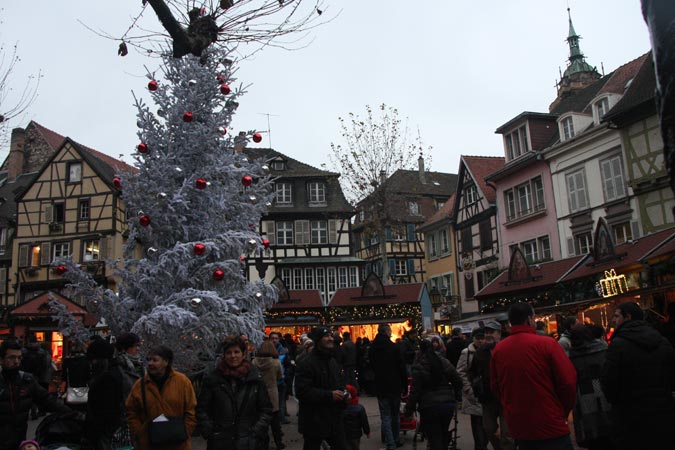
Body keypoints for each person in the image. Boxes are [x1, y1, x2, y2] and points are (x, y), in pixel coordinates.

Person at [490, 302, 577, 450]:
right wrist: (562, 410)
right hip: (550, 422)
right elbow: (568, 381)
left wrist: (511, 407)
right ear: (529, 319)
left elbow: (495, 386)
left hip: (520, 425)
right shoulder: (547, 344)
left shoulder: (499, 350)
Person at [600, 302, 675, 450]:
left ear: (628, 317)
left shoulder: (618, 345)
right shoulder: (662, 342)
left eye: (616, 316)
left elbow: (609, 383)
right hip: (663, 414)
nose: (614, 320)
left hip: (630, 416)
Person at [197, 335, 273, 450]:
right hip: (221, 441)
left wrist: (256, 431)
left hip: (249, 441)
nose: (233, 356)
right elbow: (202, 409)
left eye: (236, 352)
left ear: (243, 354)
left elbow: (266, 409)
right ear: (224, 355)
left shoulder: (255, 378)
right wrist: (211, 432)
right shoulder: (213, 379)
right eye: (229, 352)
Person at [0, 340, 70, 450]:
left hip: (19, 441)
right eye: (12, 358)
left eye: (19, 358)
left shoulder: (26, 380)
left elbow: (47, 400)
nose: (16, 361)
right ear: (1, 359)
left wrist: (72, 413)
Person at [125, 345, 197, 450]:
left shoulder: (182, 382)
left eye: (155, 360)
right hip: (149, 444)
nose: (150, 363)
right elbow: (131, 411)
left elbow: (191, 409)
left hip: (178, 444)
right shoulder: (140, 385)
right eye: (149, 360)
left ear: (166, 362)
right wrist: (139, 433)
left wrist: (186, 430)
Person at [295, 326, 348, 450]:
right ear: (318, 340)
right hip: (314, 419)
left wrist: (344, 393)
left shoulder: (332, 362)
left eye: (331, 335)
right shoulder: (306, 363)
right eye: (326, 336)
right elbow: (302, 391)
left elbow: (339, 383)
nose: (330, 338)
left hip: (333, 418)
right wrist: (329, 395)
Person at [404, 338, 462, 450]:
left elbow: (415, 392)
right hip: (447, 404)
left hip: (429, 406)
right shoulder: (444, 361)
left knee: (434, 437)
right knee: (443, 433)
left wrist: (408, 410)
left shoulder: (419, 365)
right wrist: (453, 393)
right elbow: (458, 381)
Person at [468, 321, 514, 450]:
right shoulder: (481, 352)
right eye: (486, 332)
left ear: (499, 333)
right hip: (488, 397)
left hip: (506, 396)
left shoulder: (507, 348)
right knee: (489, 428)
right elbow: (472, 371)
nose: (488, 335)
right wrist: (476, 385)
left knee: (507, 433)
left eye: (491, 332)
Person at [568, 325, 613, 450]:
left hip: (582, 400)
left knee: (592, 438)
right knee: (609, 436)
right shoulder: (603, 349)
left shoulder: (571, 357)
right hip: (603, 394)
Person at [369, 324, 407, 450]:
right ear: (386, 331)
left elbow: (372, 366)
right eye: (390, 330)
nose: (391, 332)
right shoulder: (394, 347)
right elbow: (402, 368)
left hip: (381, 385)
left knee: (385, 416)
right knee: (395, 414)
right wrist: (404, 385)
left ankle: (390, 443)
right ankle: (395, 440)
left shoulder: (373, 348)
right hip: (395, 385)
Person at [85, 339, 123, 450]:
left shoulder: (106, 378)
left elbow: (103, 411)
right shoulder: (116, 372)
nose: (91, 364)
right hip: (111, 429)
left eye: (93, 360)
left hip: (105, 431)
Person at [457, 328, 488, 450]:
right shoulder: (467, 352)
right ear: (473, 339)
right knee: (477, 426)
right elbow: (460, 371)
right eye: (478, 338)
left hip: (486, 393)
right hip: (473, 393)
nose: (480, 341)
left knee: (487, 425)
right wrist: (468, 389)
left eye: (482, 338)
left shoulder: (488, 350)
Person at [252, 338, 285, 450]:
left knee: (261, 421)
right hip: (272, 393)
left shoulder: (254, 362)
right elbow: (280, 376)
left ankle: (263, 443)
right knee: (274, 421)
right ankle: (278, 442)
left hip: (258, 394)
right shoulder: (276, 363)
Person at [270, 331, 290, 424]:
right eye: (272, 338)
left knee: (281, 400)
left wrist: (286, 376)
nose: (274, 340)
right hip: (270, 380)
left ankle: (280, 418)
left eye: (276, 338)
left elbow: (287, 365)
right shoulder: (266, 350)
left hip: (281, 379)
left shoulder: (283, 351)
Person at [343, 384, 370, 450]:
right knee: (355, 447)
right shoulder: (359, 408)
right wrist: (367, 431)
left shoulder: (341, 408)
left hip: (344, 434)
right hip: (356, 434)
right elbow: (364, 421)